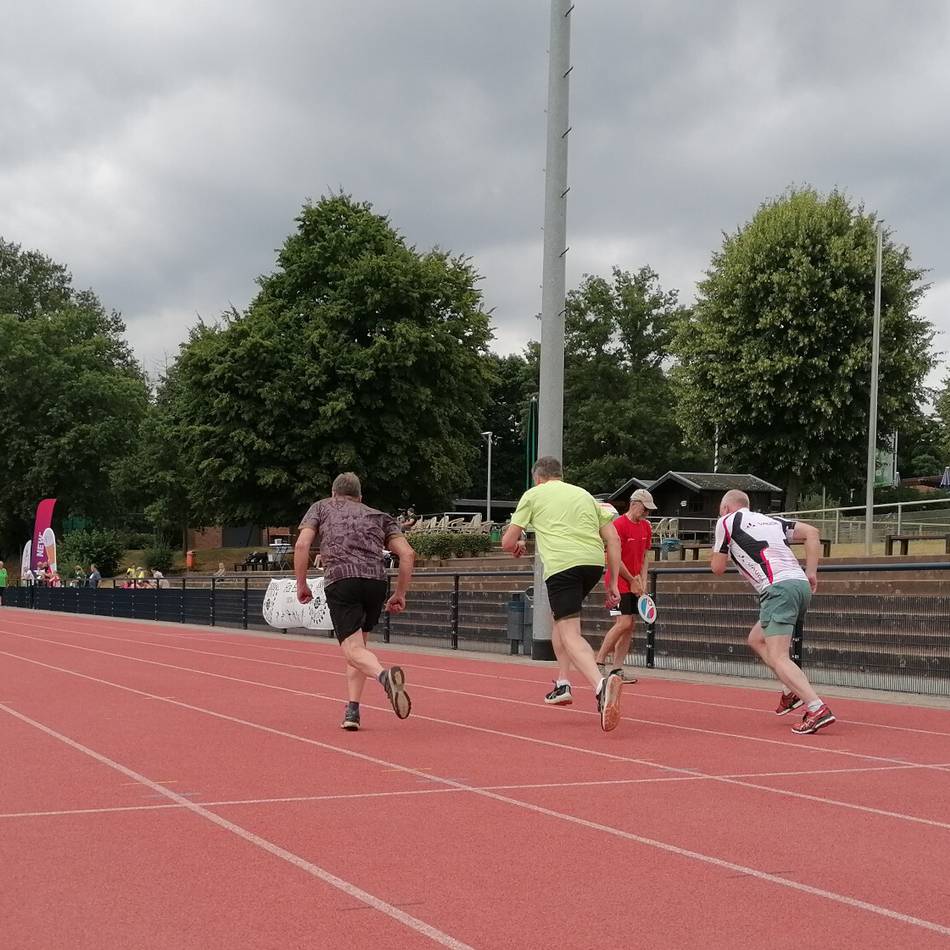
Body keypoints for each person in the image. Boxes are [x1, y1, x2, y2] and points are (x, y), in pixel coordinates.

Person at [502, 456, 625, 732]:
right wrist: (613, 581)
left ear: (538, 478)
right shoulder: (585, 496)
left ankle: (600, 686)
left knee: (570, 633)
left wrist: (516, 545)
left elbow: (507, 541)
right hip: (592, 564)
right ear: (560, 474)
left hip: (562, 566)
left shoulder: (533, 495)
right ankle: (562, 682)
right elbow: (613, 539)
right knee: (560, 619)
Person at [295, 472, 416, 731]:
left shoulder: (321, 507)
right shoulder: (379, 515)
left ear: (333, 493)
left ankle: (384, 677)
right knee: (360, 649)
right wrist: (400, 593)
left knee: (352, 650)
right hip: (375, 582)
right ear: (360, 497)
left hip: (342, 579)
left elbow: (302, 545)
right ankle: (353, 710)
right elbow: (407, 554)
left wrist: (301, 583)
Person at [712, 489, 835, 735]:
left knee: (779, 656)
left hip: (777, 588)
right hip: (799, 584)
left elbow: (717, 568)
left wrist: (720, 550)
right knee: (756, 639)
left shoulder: (726, 521)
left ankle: (816, 707)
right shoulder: (772, 521)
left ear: (725, 508)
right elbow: (812, 532)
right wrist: (811, 572)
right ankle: (790, 691)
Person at [594, 489, 657, 683]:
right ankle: (599, 662)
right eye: (644, 509)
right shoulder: (618, 525)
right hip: (617, 580)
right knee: (624, 623)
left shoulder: (646, 527)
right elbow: (615, 558)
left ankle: (617, 669)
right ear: (634, 504)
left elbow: (645, 555)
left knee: (630, 626)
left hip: (634, 581)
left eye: (649, 510)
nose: (646, 513)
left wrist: (643, 580)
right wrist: (631, 580)